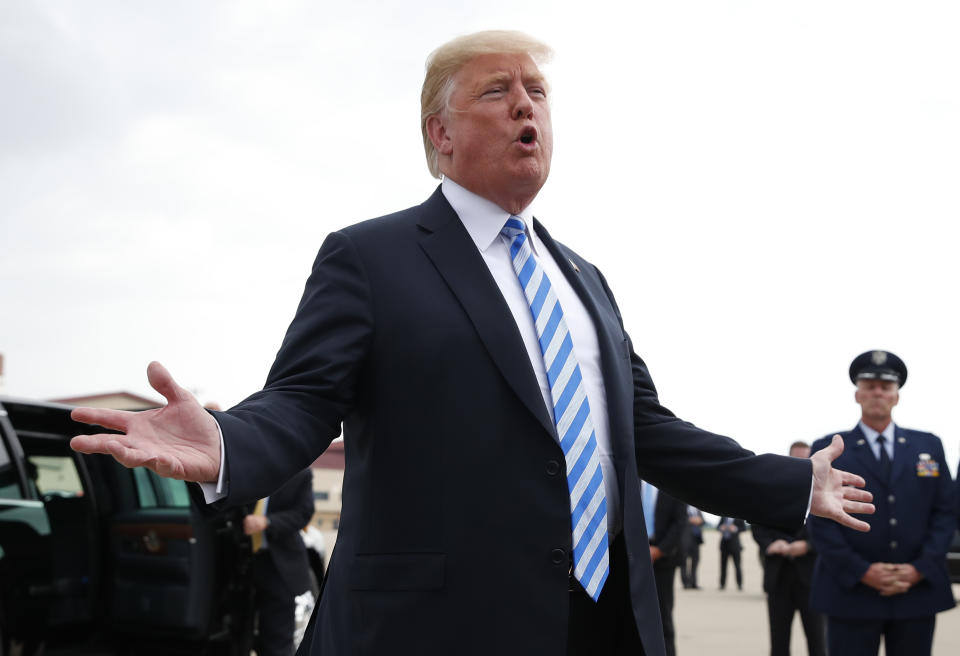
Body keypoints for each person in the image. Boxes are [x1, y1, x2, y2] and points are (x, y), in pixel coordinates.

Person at [69, 31, 874, 656]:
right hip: (438, 624)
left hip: (600, 625)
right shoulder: (371, 258)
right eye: (500, 90)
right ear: (441, 133)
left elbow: (646, 430)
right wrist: (224, 441)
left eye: (539, 92)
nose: (528, 106)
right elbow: (304, 399)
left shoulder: (585, 280)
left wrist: (790, 484)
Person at [808, 350, 956, 656]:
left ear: (896, 396)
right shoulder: (830, 449)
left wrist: (920, 568)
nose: (878, 391)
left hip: (915, 591)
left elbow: (945, 512)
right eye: (870, 384)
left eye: (886, 386)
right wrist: (862, 571)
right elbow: (819, 518)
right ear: (857, 394)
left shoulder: (928, 446)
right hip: (851, 591)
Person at [752, 441, 826, 656]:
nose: (802, 464)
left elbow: (831, 532)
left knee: (818, 642)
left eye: (806, 459)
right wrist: (770, 544)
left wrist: (808, 545)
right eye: (797, 460)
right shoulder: (771, 492)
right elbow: (757, 525)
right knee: (778, 643)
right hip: (778, 577)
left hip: (811, 579)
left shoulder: (823, 493)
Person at [243, 468, 315, 656]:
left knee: (277, 637)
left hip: (279, 566)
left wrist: (268, 522)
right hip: (244, 562)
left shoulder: (300, 472)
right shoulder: (250, 467)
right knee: (239, 630)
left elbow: (304, 513)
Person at [642, 482, 686, 656]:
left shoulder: (672, 483)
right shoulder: (630, 477)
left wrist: (659, 550)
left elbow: (680, 522)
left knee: (663, 615)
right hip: (632, 556)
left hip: (664, 559)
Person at [717, 516, 745, 590]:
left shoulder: (739, 517)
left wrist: (735, 529)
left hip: (735, 546)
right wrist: (721, 528)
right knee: (723, 566)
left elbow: (743, 528)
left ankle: (740, 584)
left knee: (737, 566)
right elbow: (717, 527)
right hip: (724, 545)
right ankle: (722, 584)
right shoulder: (723, 517)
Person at [680, 505, 705, 590]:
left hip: (696, 540)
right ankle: (685, 583)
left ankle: (693, 582)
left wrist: (700, 520)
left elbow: (703, 521)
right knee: (684, 562)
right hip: (685, 540)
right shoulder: (682, 507)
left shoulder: (697, 509)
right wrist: (690, 520)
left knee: (695, 562)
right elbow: (679, 519)